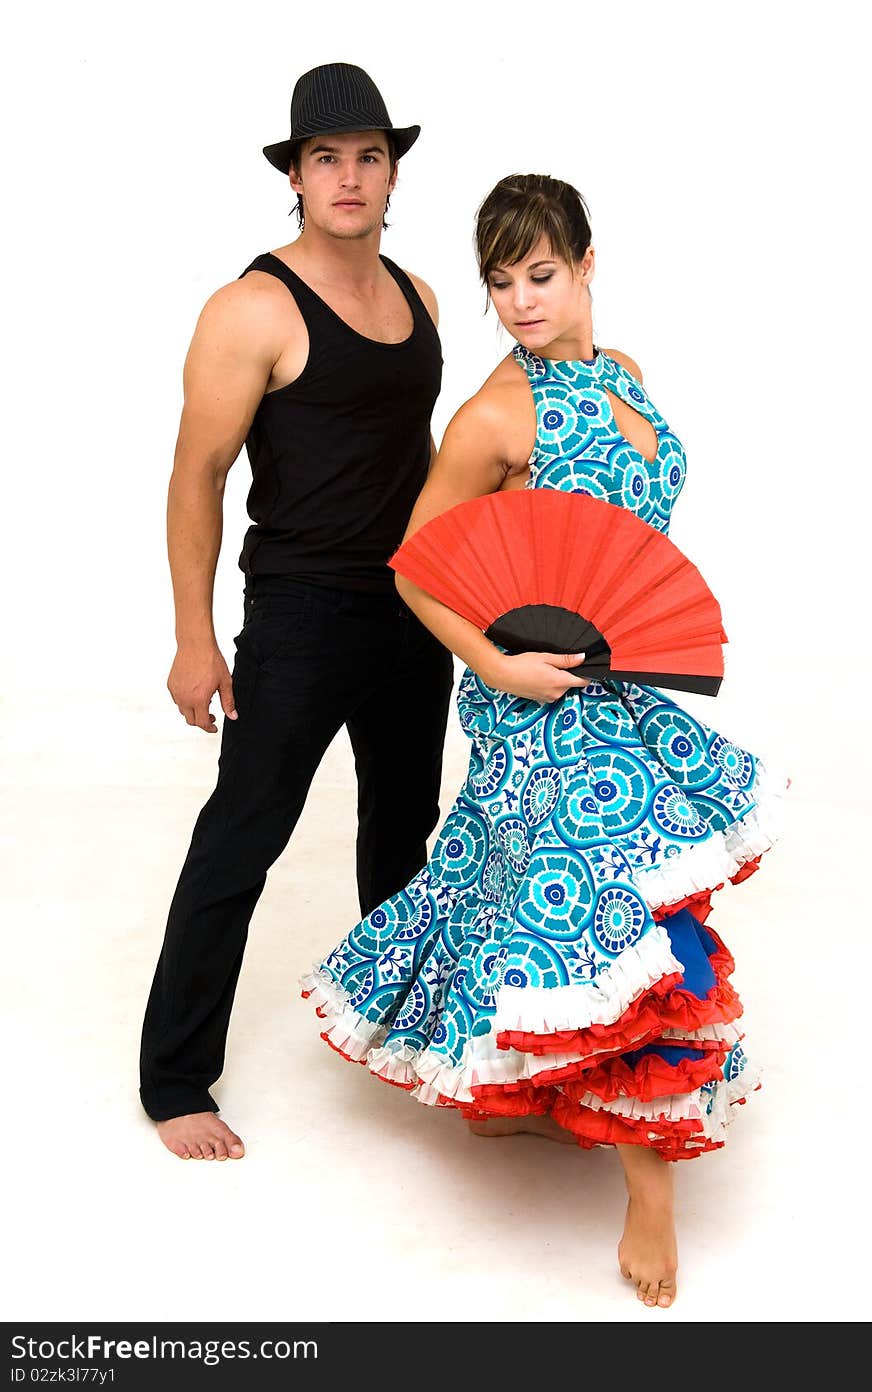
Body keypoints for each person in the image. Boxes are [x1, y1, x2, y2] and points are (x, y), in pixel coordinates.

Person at [302, 174, 784, 1309]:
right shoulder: (495, 415)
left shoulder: (626, 379)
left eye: (540, 275)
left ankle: (546, 1080)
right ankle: (650, 1191)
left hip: (624, 684)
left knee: (552, 906)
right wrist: (497, 663)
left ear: (585, 263)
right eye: (500, 283)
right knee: (608, 920)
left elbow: (623, 541)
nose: (519, 302)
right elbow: (416, 566)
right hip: (531, 698)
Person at [140, 63, 453, 1161]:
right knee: (243, 839)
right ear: (297, 175)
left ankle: (407, 1046)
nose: (350, 176)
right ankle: (175, 1081)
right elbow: (197, 475)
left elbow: (415, 461)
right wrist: (193, 638)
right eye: (327, 158)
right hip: (302, 613)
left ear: (392, 169)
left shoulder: (415, 293)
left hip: (416, 610)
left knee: (402, 843)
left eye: (369, 155)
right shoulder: (252, 305)